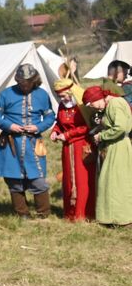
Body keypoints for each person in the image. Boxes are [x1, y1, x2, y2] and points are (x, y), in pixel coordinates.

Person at [0, 64, 55, 218]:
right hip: (11, 144)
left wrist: (38, 127)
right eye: (21, 82)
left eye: (27, 82)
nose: (24, 85)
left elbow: (50, 117)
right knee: (14, 181)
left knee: (38, 180)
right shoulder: (6, 94)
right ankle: (22, 214)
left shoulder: (42, 95)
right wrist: (9, 125)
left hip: (33, 143)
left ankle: (44, 215)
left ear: (34, 80)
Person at [84, 86, 132, 227]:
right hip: (113, 146)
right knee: (110, 182)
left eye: (92, 104)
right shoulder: (110, 105)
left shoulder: (115, 103)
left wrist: (102, 136)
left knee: (117, 183)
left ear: (97, 98)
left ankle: (122, 218)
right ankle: (112, 217)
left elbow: (121, 127)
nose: (93, 107)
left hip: (118, 147)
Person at [51, 78, 97, 222]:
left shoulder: (82, 106)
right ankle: (71, 214)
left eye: (64, 95)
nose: (62, 99)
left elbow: (88, 126)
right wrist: (55, 130)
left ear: (71, 92)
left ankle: (84, 214)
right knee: (69, 180)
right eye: (60, 96)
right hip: (67, 148)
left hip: (83, 147)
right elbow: (59, 122)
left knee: (82, 180)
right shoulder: (62, 106)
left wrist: (68, 134)